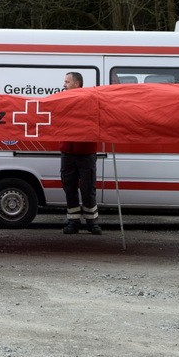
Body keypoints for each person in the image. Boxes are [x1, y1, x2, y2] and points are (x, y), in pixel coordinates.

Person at [60, 72, 102, 235]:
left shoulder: (89, 99)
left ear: (77, 84)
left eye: (67, 81)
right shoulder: (61, 100)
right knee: (69, 188)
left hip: (85, 152)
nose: (64, 84)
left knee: (88, 189)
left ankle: (92, 222)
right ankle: (73, 221)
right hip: (68, 151)